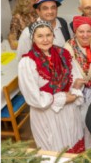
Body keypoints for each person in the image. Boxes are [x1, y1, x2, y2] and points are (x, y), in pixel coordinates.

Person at [19, 21, 85, 153]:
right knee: (54, 153)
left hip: (69, 111)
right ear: (33, 38)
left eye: (48, 35)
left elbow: (75, 76)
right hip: (47, 115)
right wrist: (61, 98)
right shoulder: (27, 63)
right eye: (40, 36)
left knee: (73, 145)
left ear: (53, 35)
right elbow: (34, 97)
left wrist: (75, 90)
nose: (45, 40)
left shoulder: (63, 53)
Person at [64, 16, 91, 148]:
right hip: (83, 93)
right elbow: (68, 74)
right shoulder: (68, 48)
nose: (85, 35)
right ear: (75, 32)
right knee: (87, 125)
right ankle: (90, 154)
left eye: (88, 31)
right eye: (81, 31)